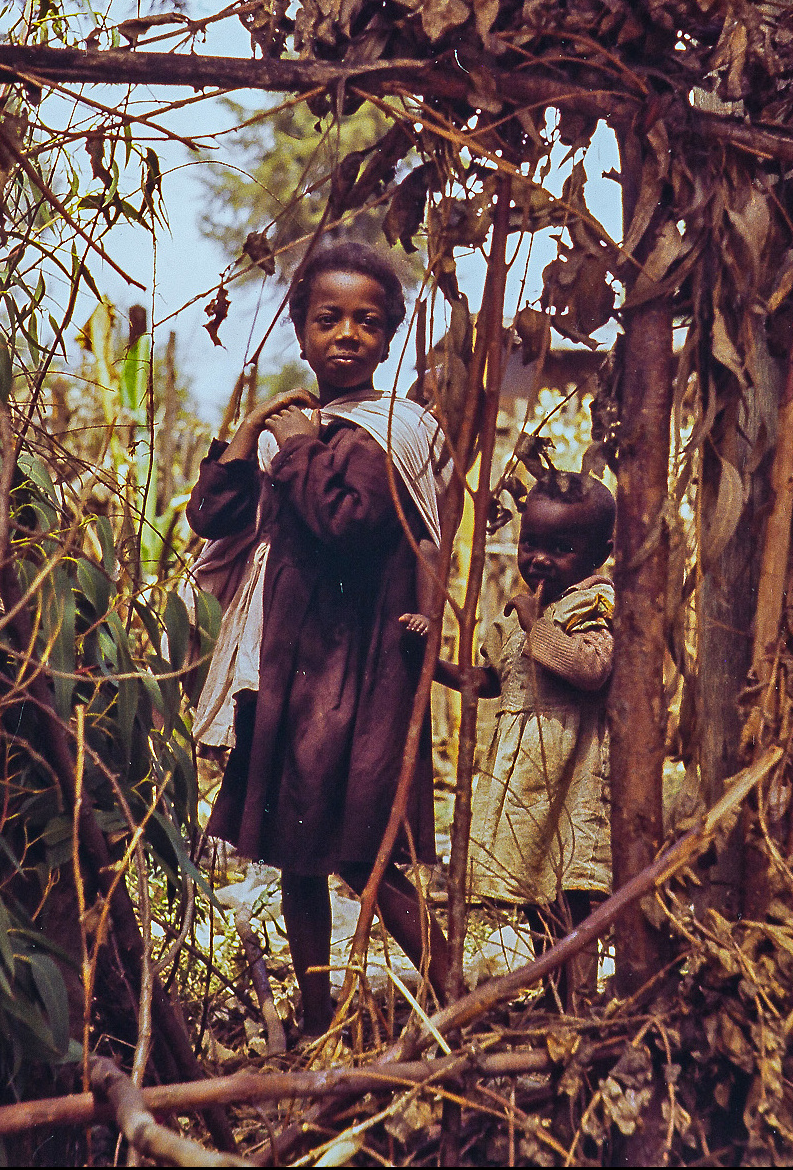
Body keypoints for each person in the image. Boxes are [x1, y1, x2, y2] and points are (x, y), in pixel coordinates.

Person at [188, 241, 450, 1040]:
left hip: (362, 676)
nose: (346, 336)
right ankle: (314, 1016)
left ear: (389, 338)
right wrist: (255, 428)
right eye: (328, 319)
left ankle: (456, 998)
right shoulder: (294, 430)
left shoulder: (391, 432)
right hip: (294, 675)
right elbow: (212, 516)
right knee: (293, 853)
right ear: (301, 332)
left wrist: (299, 442)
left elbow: (348, 521)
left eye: (367, 323)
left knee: (367, 855)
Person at [430, 469, 616, 1008]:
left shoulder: (593, 605)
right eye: (531, 543)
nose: (539, 559)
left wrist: (539, 626)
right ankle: (555, 998)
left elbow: (590, 669)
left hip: (569, 775)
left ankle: (576, 1000)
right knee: (538, 891)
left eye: (562, 549)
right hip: (527, 782)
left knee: (571, 892)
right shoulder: (524, 611)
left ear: (600, 555)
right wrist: (435, 667)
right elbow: (492, 680)